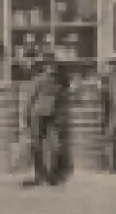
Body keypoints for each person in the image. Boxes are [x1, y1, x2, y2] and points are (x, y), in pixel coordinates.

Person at [21, 54, 68, 187]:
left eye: (54, 67)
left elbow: (60, 100)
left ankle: (52, 175)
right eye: (50, 66)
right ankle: (39, 175)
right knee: (37, 145)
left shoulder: (59, 83)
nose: (52, 69)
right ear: (45, 67)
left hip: (52, 117)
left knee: (56, 146)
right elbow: (30, 99)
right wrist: (26, 118)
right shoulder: (39, 80)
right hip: (37, 116)